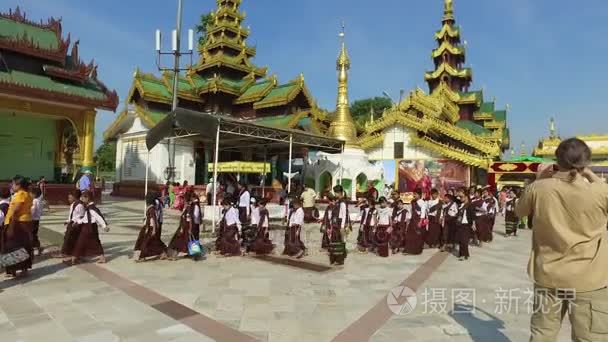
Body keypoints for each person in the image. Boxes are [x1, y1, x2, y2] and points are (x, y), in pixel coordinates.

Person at [515, 138, 608, 341]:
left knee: (542, 334)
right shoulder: (601, 191)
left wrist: (540, 178)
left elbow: (519, 211)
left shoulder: (539, 189)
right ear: (586, 163)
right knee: (589, 337)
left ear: (557, 160)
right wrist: (590, 175)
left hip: (549, 277)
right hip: (590, 280)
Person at [2, 176, 34, 277]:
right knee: (23, 246)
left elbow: (16, 210)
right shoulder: (26, 194)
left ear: (19, 185)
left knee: (13, 246)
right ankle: (23, 269)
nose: (12, 186)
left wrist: (11, 225)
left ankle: (13, 270)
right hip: (23, 222)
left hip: (18, 223)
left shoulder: (21, 194)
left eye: (13, 184)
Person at [72, 190, 107, 264]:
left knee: (81, 242)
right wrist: (78, 222)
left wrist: (104, 226)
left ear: (88, 198)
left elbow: (99, 217)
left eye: (83, 198)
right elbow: (85, 218)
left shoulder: (91, 208)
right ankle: (101, 257)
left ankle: (75, 258)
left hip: (89, 227)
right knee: (95, 242)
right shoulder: (88, 207)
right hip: (89, 226)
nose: (82, 199)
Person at [134, 192, 168, 262]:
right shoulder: (153, 207)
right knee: (152, 241)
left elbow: (155, 219)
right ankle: (163, 252)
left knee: (146, 242)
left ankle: (143, 257)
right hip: (150, 226)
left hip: (152, 227)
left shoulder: (152, 208)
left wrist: (154, 230)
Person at [168, 191, 198, 259]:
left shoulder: (189, 208)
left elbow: (189, 219)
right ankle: (193, 254)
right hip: (183, 226)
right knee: (185, 241)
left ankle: (194, 254)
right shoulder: (187, 208)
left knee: (181, 241)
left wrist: (189, 228)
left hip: (185, 227)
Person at [59, 190, 85, 260]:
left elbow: (81, 216)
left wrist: (76, 222)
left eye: (70, 198)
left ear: (74, 197)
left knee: (69, 238)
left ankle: (64, 253)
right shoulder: (73, 204)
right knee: (67, 237)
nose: (68, 199)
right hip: (71, 223)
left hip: (75, 224)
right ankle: (68, 252)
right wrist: (68, 221)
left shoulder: (80, 205)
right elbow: (72, 215)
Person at [403, 189, 426, 255]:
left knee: (417, 235)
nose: (414, 195)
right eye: (414, 194)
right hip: (412, 220)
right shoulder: (412, 202)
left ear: (419, 195)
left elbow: (423, 213)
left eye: (415, 194)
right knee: (409, 235)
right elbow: (410, 211)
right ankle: (408, 250)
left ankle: (416, 250)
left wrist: (420, 222)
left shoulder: (422, 202)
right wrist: (408, 219)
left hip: (418, 220)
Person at [456, 189, 475, 261]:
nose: (460, 198)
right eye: (460, 197)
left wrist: (473, 224)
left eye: (461, 197)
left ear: (466, 196)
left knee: (464, 240)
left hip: (466, 225)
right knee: (461, 240)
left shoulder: (470, 205)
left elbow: (473, 215)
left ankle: (464, 255)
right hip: (460, 224)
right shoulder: (461, 205)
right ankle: (462, 254)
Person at [30, 187, 44, 255]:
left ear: (34, 194)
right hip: (37, 219)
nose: (30, 194)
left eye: (31, 193)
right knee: (34, 234)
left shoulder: (34, 201)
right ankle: (36, 246)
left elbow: (32, 211)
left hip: (33, 220)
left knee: (32, 234)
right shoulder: (40, 201)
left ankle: (35, 248)